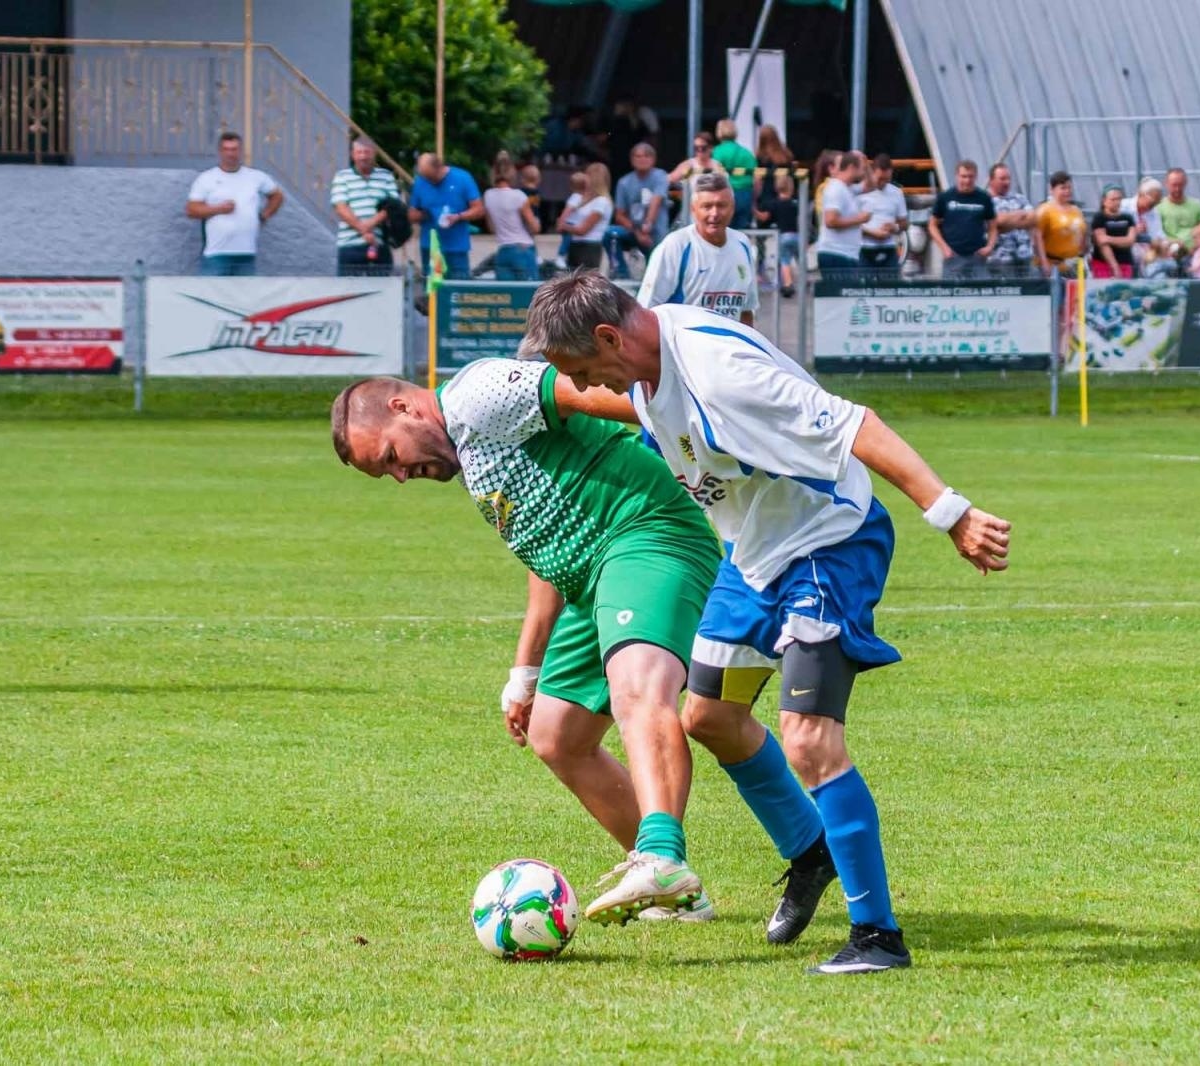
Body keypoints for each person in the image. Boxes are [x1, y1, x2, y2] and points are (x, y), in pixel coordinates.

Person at [522, 271, 1011, 975]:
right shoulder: (645, 365)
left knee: (810, 739)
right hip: (751, 556)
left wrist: (950, 513)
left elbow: (854, 423)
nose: (587, 387)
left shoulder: (722, 375)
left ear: (609, 338)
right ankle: (812, 852)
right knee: (709, 716)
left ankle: (877, 938)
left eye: (584, 372)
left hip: (826, 544)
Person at [330, 362, 722, 925]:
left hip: (642, 533)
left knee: (637, 688)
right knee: (556, 735)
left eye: (390, 458)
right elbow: (544, 545)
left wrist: (702, 429)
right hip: (591, 573)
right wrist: (525, 673)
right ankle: (675, 892)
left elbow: (586, 393)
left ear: (404, 408)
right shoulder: (471, 456)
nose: (400, 476)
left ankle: (662, 857)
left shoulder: (476, 396)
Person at [637, 171, 757, 326]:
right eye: (707, 206)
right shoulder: (676, 246)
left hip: (729, 348)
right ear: (694, 209)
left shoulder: (743, 245)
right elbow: (645, 313)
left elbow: (746, 311)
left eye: (721, 206)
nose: (714, 213)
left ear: (732, 207)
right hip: (685, 349)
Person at [184, 132, 283, 277]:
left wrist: (264, 216)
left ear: (241, 151)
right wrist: (218, 209)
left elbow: (277, 196)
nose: (231, 154)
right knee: (209, 296)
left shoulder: (256, 176)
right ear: (220, 152)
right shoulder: (206, 178)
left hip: (246, 254)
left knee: (246, 299)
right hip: (216, 254)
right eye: (227, 149)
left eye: (234, 149)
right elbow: (191, 210)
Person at [329, 137, 400, 277]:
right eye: (359, 152)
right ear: (353, 154)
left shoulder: (386, 176)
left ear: (374, 154)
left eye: (367, 152)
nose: (363, 156)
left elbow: (393, 206)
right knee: (347, 293)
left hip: (379, 245)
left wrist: (369, 224)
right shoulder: (342, 176)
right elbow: (340, 207)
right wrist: (364, 230)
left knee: (382, 292)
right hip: (349, 245)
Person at [409, 152, 483, 281]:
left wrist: (459, 217)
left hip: (456, 248)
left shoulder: (462, 178)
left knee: (458, 291)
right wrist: (425, 214)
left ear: (439, 167)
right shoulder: (420, 182)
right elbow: (411, 215)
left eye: (431, 177)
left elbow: (479, 209)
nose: (429, 181)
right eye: (426, 177)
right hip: (430, 248)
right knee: (433, 293)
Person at [605, 143, 671, 280]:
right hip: (634, 231)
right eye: (638, 156)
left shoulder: (660, 176)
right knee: (609, 233)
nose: (642, 159)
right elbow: (619, 215)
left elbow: (656, 202)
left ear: (653, 159)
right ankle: (622, 274)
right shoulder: (624, 182)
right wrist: (638, 232)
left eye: (647, 156)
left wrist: (648, 226)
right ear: (632, 159)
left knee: (655, 275)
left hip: (655, 233)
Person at [928, 160, 997, 278]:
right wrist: (944, 248)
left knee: (984, 293)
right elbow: (932, 225)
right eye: (964, 176)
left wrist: (990, 246)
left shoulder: (984, 198)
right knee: (952, 293)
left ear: (975, 177)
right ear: (957, 176)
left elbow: (993, 226)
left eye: (971, 177)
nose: (967, 180)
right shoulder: (945, 197)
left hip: (977, 256)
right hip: (953, 256)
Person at [482, 152, 539, 281]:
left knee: (506, 295)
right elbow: (534, 227)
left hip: (503, 249)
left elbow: (492, 228)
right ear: (512, 173)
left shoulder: (488, 195)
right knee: (529, 294)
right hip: (523, 248)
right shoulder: (519, 196)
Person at [816, 151, 869, 275]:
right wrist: (859, 219)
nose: (863, 172)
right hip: (836, 253)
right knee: (840, 293)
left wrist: (866, 164)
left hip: (848, 254)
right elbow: (830, 221)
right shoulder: (835, 189)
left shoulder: (848, 188)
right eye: (862, 168)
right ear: (852, 168)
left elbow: (870, 186)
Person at [856, 153, 908, 278]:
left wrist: (893, 227)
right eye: (880, 179)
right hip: (864, 249)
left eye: (887, 179)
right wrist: (872, 233)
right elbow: (850, 225)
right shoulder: (859, 192)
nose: (883, 183)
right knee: (863, 292)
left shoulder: (896, 193)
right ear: (872, 172)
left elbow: (904, 223)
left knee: (890, 291)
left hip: (889, 248)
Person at [556, 162, 611, 272]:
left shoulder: (601, 202)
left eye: (587, 174)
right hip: (575, 245)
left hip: (589, 247)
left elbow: (583, 230)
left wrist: (565, 226)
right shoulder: (581, 198)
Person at [987, 163, 1036, 276]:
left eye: (1008, 178)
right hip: (1000, 259)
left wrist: (1007, 221)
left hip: (1025, 258)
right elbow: (997, 221)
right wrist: (1020, 218)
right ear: (991, 180)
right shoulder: (986, 201)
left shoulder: (1019, 198)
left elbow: (1033, 218)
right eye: (1002, 179)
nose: (1007, 182)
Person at [1035, 170, 1086, 275]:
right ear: (1052, 189)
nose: (1067, 191)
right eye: (1063, 188)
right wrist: (1044, 262)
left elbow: (1082, 234)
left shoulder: (1077, 210)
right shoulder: (1044, 210)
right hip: (1053, 265)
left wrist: (1081, 257)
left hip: (1073, 264)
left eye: (1069, 187)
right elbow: (1037, 237)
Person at [711, 118, 757, 229]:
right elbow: (757, 178)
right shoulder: (747, 153)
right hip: (745, 194)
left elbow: (713, 177)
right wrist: (754, 199)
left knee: (723, 230)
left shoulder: (716, 152)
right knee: (742, 232)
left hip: (725, 194)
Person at [765, 173, 804, 298]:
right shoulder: (796, 204)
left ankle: (788, 283)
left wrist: (754, 209)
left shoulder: (775, 204)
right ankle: (804, 281)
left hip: (783, 236)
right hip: (797, 235)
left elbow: (766, 217)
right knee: (800, 260)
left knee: (785, 260)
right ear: (791, 188)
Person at [1089, 184, 1136, 278]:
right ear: (1104, 201)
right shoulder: (1099, 218)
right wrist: (1115, 267)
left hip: (1125, 262)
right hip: (1103, 264)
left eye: (1119, 199)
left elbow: (1130, 240)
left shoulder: (1128, 218)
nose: (1117, 202)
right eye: (1113, 199)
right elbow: (1102, 242)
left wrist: (1108, 238)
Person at [1119, 177, 1165, 272]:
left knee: (1168, 261)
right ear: (1141, 194)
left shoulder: (1154, 212)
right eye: (1153, 201)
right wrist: (1134, 231)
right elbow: (1112, 232)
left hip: (1147, 250)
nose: (1155, 205)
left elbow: (1158, 235)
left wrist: (1164, 244)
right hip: (1125, 247)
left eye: (1157, 202)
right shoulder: (1122, 207)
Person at [752, 124, 796, 221]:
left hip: (767, 195)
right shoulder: (786, 155)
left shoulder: (761, 157)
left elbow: (758, 179)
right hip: (785, 194)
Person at [1158, 168, 1200, 250]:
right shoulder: (1158, 207)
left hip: (1194, 250)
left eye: (1180, 185)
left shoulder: (1197, 205)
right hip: (1169, 250)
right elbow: (1157, 235)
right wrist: (1174, 242)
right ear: (1166, 184)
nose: (1177, 189)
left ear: (1185, 183)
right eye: (1174, 185)